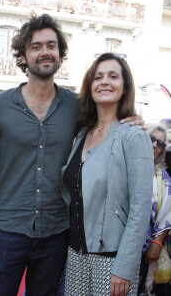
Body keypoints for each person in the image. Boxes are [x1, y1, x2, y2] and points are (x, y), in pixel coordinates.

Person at [0, 14, 143, 296]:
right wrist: (10, 174)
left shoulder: (78, 107)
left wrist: (134, 119)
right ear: (23, 54)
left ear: (60, 53)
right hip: (8, 229)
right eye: (36, 46)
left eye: (51, 45)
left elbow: (107, 122)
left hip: (57, 233)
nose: (45, 52)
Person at [61, 53, 154, 296]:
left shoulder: (134, 136)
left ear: (124, 87)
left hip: (113, 261)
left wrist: (124, 268)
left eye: (113, 76)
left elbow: (141, 208)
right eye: (98, 77)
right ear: (90, 86)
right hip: (75, 255)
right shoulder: (82, 134)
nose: (105, 82)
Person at [137, 123, 171, 296]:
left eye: (160, 144)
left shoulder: (162, 177)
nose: (154, 146)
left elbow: (167, 214)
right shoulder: (122, 164)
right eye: (151, 138)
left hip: (143, 252)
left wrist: (156, 244)